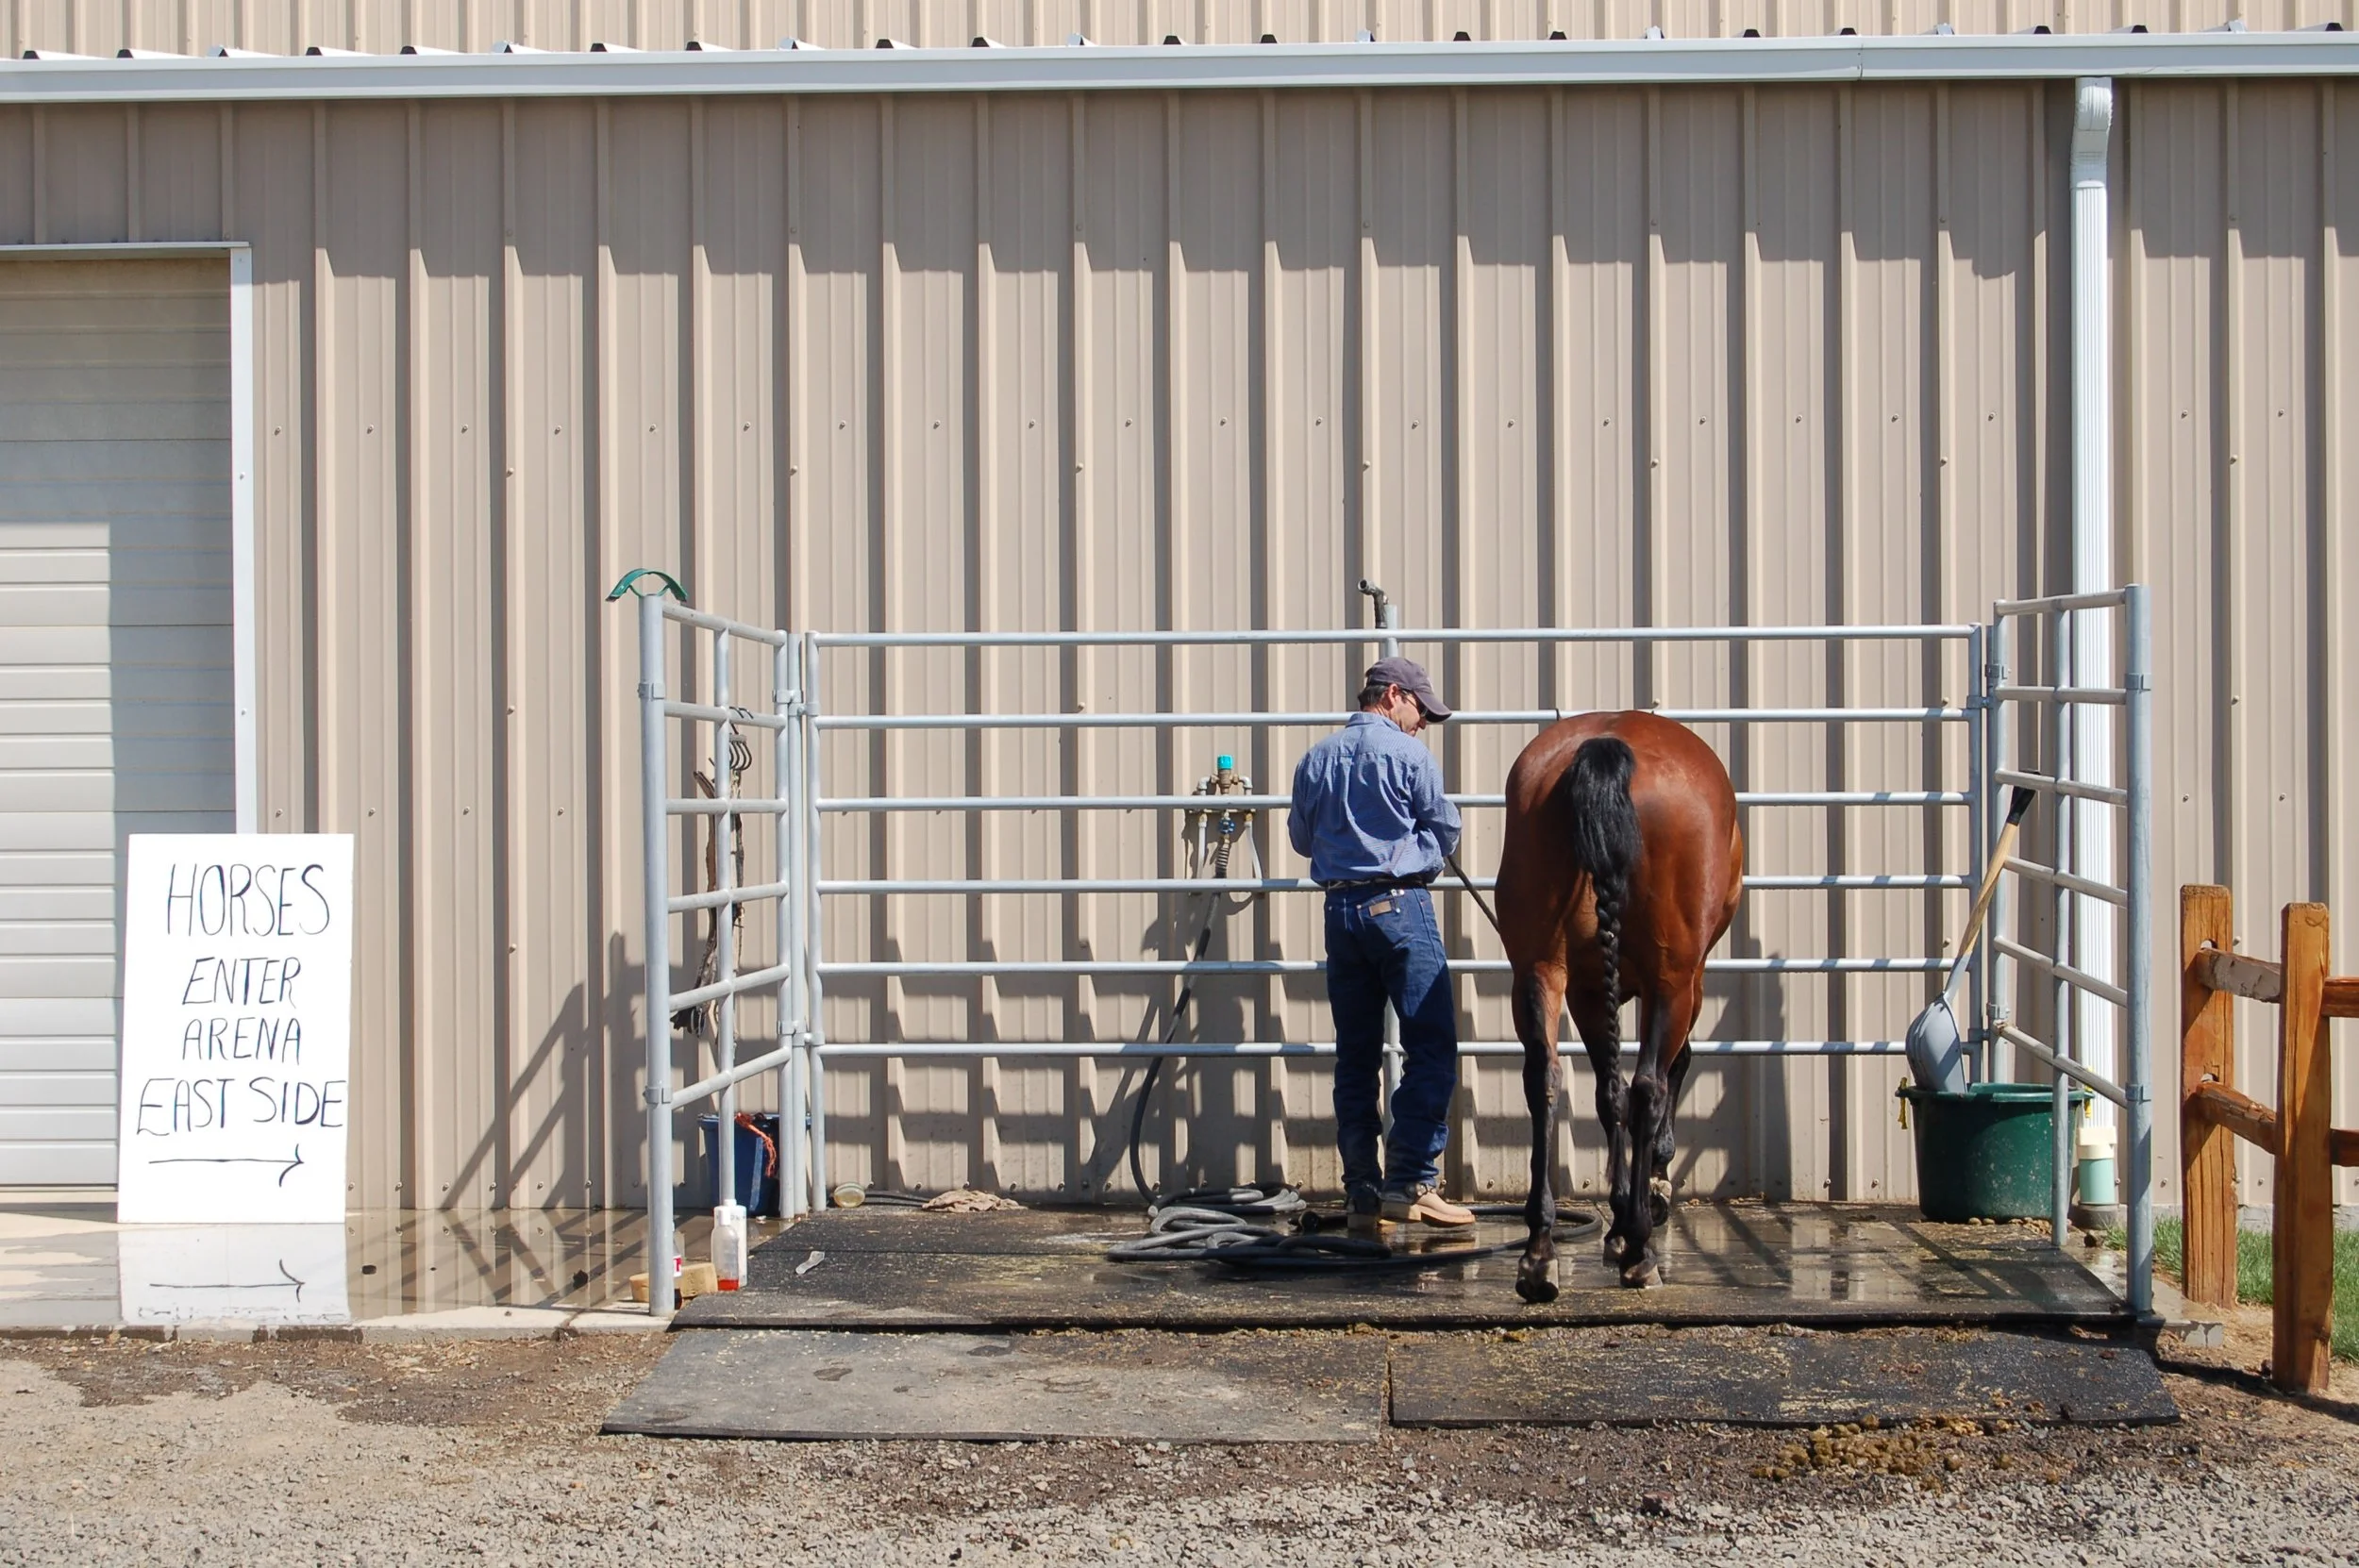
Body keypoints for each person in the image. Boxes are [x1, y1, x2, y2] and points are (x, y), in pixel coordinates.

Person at [1287, 656, 1476, 1229]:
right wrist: (1409, 850)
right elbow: (1445, 831)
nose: (1421, 723)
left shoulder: (1315, 758)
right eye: (1420, 709)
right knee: (1431, 1046)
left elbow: (1300, 838)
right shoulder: (1410, 755)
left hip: (1340, 912)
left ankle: (1361, 1193)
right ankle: (1412, 1182)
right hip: (1399, 907)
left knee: (1357, 1054)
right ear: (1393, 695)